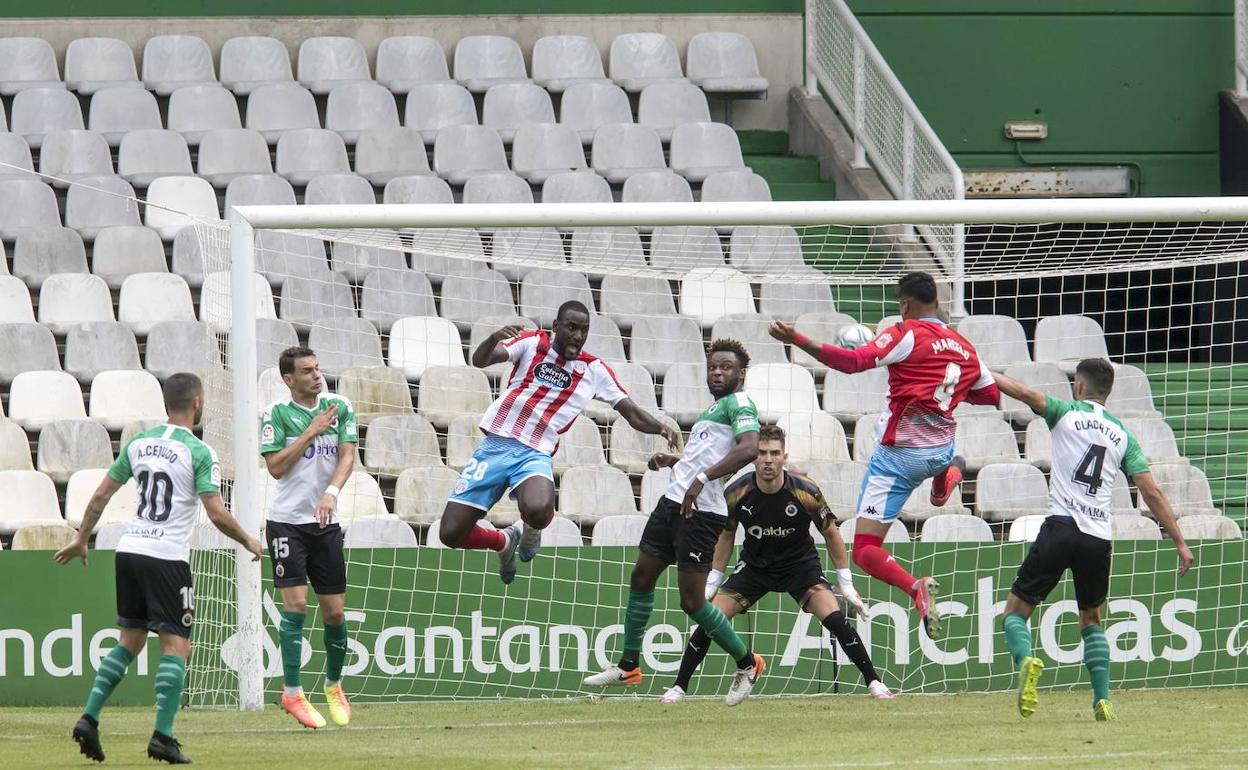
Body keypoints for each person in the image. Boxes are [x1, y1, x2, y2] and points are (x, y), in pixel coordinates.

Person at [769, 271, 999, 639]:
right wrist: (945, 387)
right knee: (940, 460)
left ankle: (915, 588)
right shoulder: (964, 346)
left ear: (904, 305)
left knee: (865, 550)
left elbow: (852, 362)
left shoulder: (903, 332)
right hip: (941, 448)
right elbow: (990, 396)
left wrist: (797, 338)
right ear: (937, 302)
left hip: (900, 460)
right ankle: (946, 479)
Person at [55, 372, 263, 765]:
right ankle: (163, 736)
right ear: (198, 402)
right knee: (176, 647)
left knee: (128, 642)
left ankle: (89, 717)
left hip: (130, 550)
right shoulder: (199, 452)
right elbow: (216, 514)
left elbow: (102, 493)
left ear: (166, 403)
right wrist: (249, 540)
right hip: (166, 556)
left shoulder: (138, 443)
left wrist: (82, 537)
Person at [993, 359, 1193, 721]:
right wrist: (1178, 540)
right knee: (1092, 619)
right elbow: (1151, 491)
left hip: (1060, 527)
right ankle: (1103, 700)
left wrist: (975, 366)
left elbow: (1021, 392)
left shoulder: (1065, 412)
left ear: (1079, 388)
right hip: (1097, 538)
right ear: (1109, 392)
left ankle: (1026, 660)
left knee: (1015, 613)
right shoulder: (1121, 434)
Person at [439, 300, 677, 584]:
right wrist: (492, 338)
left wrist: (661, 428)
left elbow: (632, 412)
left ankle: (530, 529)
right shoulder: (532, 343)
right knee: (450, 534)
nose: (577, 335)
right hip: (495, 447)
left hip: (534, 454)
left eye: (583, 330)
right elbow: (480, 361)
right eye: (572, 327)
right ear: (556, 326)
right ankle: (502, 542)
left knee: (539, 510)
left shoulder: (594, 370)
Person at [584, 339, 765, 706]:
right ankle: (629, 665)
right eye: (713, 366)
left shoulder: (741, 403)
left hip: (701, 513)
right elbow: (704, 457)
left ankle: (747, 663)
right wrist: (675, 463)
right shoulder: (712, 410)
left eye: (726, 367)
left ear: (740, 373)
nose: (717, 372)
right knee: (641, 576)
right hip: (673, 503)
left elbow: (749, 448)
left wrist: (701, 479)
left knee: (692, 602)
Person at [660, 425, 893, 703]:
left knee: (837, 622)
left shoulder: (806, 491)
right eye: (761, 453)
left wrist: (846, 581)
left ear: (785, 456)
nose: (767, 459)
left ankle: (874, 682)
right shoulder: (736, 492)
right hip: (754, 567)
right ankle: (679, 687)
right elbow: (727, 534)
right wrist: (714, 578)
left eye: (774, 453)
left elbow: (831, 532)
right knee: (711, 620)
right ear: (753, 458)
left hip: (800, 568)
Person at [261, 346, 358, 729]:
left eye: (317, 368)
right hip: (286, 523)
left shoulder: (340, 406)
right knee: (297, 607)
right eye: (306, 371)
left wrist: (331, 492)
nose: (317, 376)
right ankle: (292, 692)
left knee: (334, 612)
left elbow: (348, 456)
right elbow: (275, 468)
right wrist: (310, 432)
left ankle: (333, 685)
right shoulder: (277, 415)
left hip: (325, 524)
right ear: (289, 379)